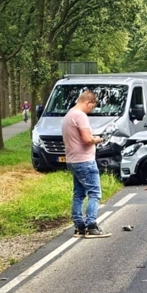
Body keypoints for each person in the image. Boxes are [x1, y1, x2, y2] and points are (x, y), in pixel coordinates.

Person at [61, 90, 110, 238]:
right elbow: (87, 140)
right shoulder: (80, 116)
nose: (91, 110)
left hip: (72, 160)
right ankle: (91, 226)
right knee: (95, 193)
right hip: (85, 160)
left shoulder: (69, 114)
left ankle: (79, 227)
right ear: (88, 102)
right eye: (92, 106)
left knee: (79, 194)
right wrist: (98, 139)